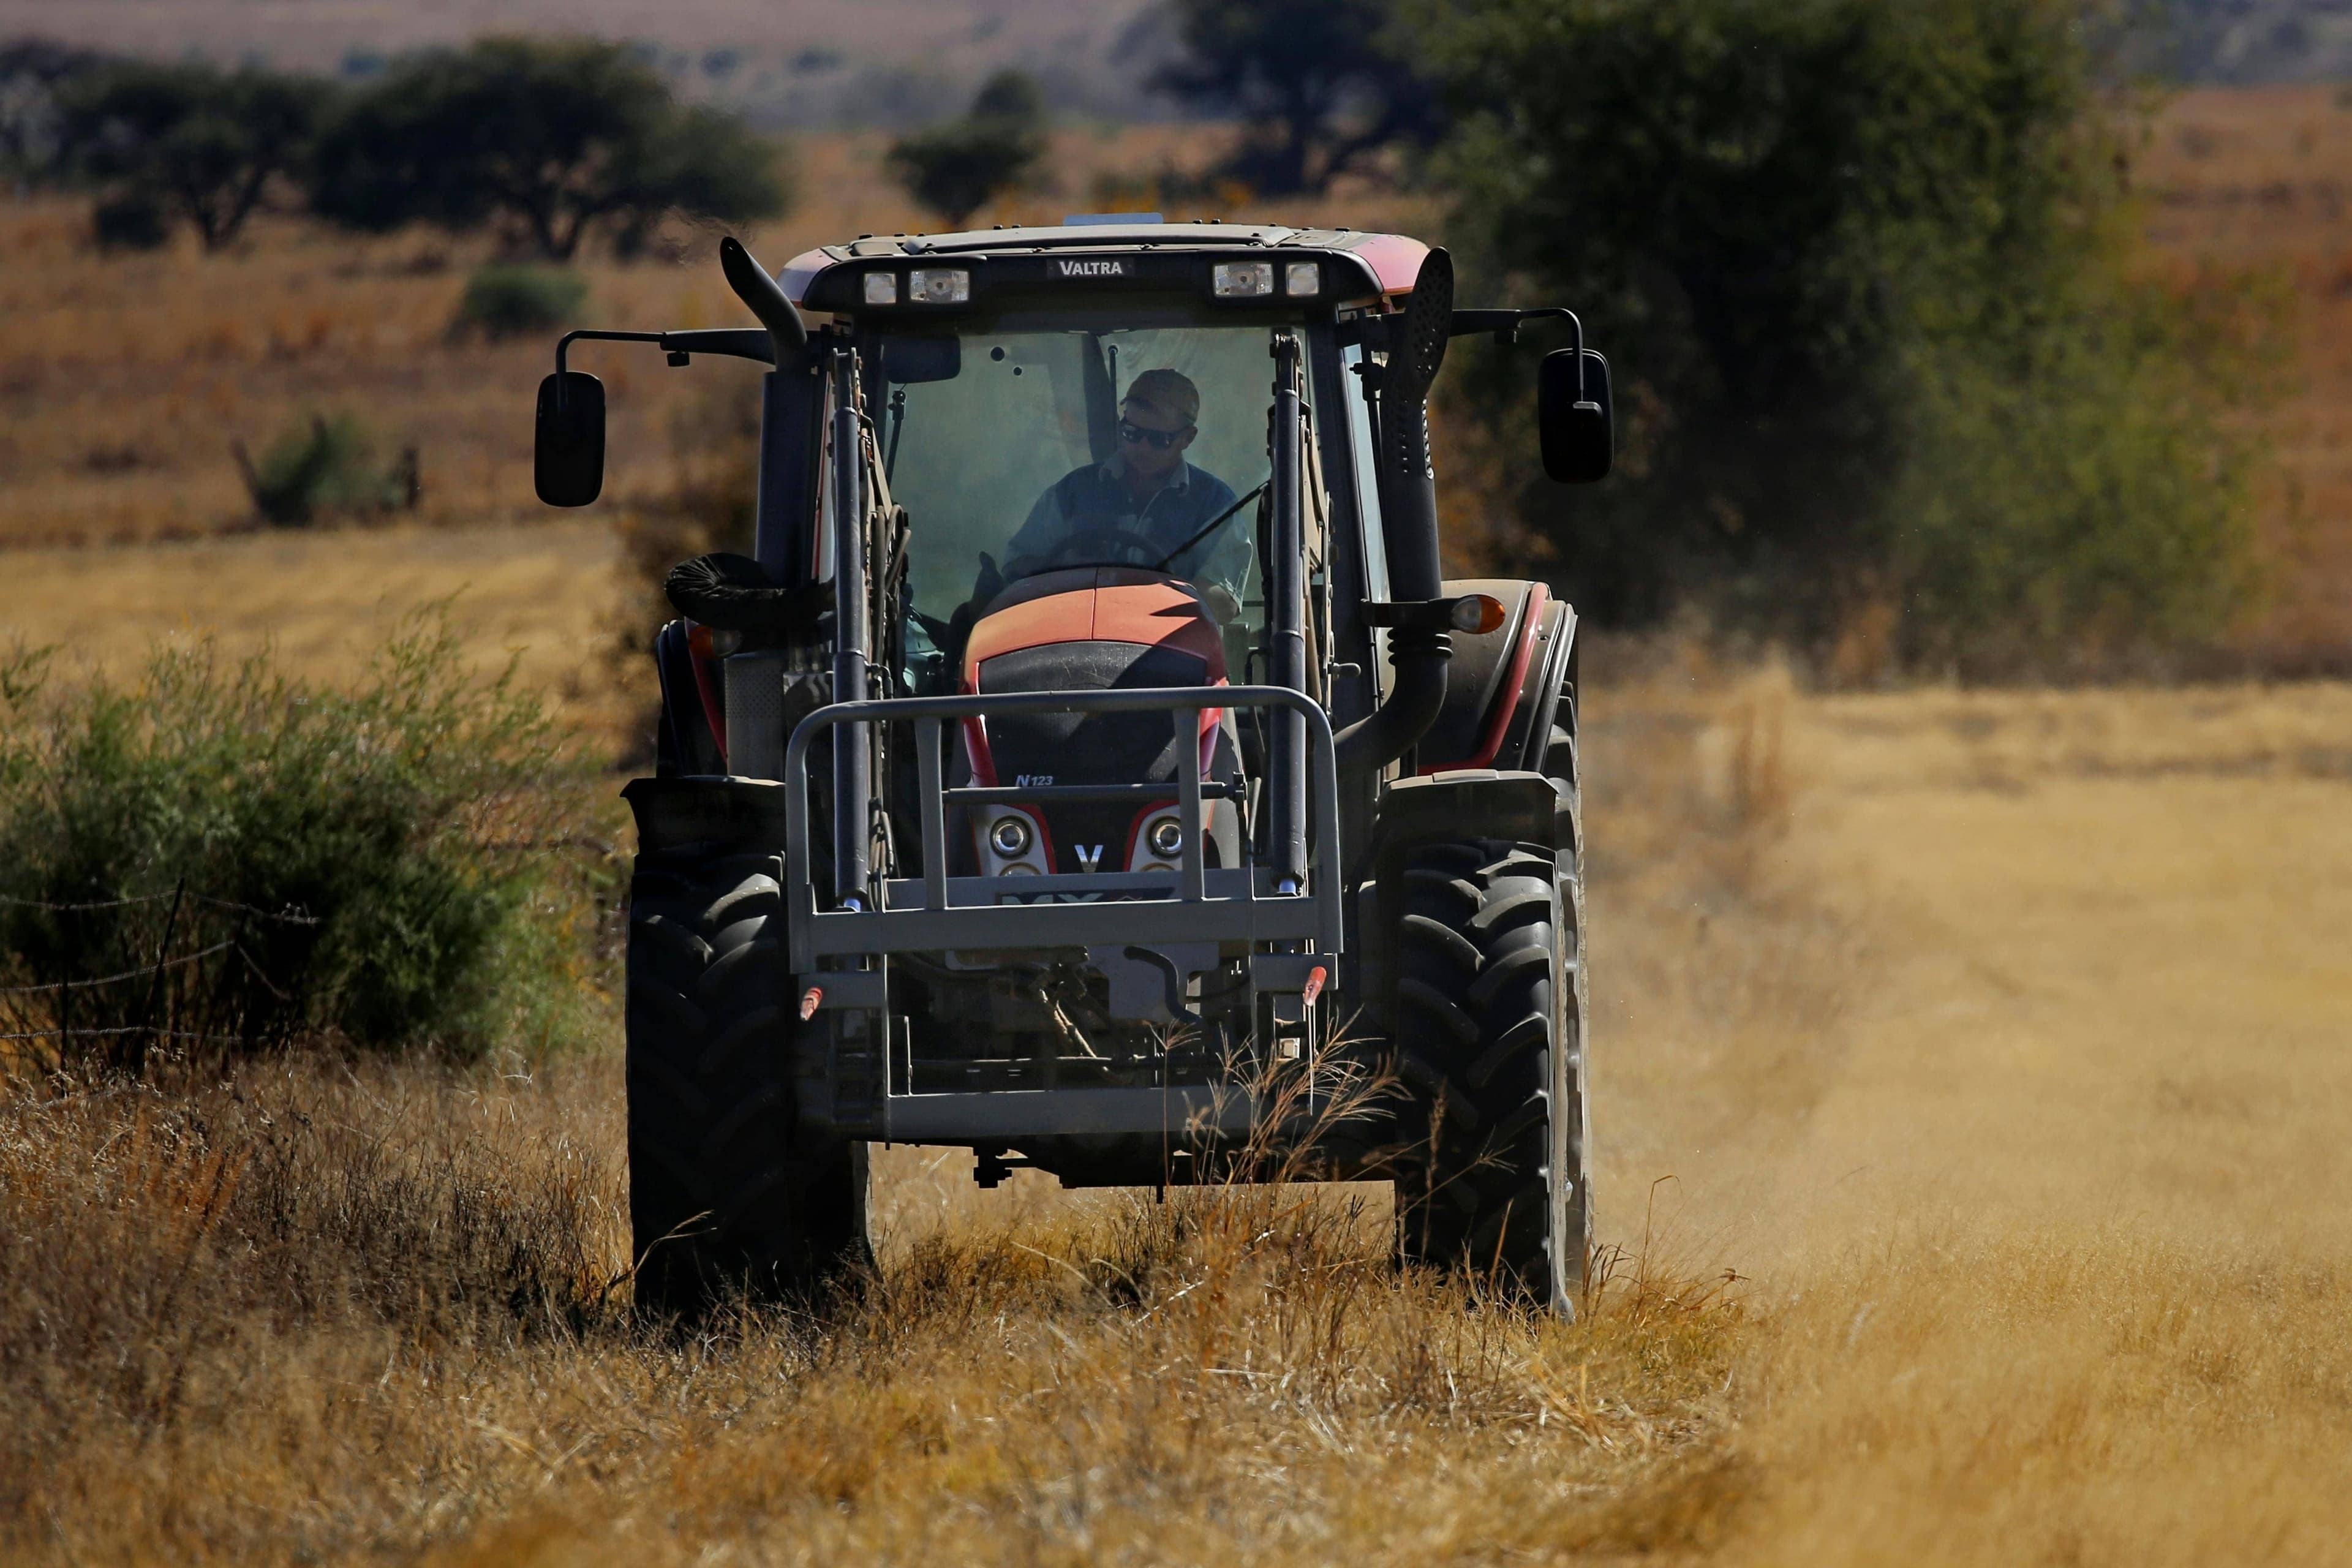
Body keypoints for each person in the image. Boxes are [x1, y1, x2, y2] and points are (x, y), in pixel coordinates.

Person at [997, 368, 1252, 603]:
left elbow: (1222, 598)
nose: (1141, 447)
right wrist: (1062, 577)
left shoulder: (1215, 505)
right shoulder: (1072, 493)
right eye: (1132, 433)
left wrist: (1142, 602)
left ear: (1188, 437)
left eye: (1158, 439)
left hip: (1170, 647)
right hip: (1074, 637)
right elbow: (1019, 564)